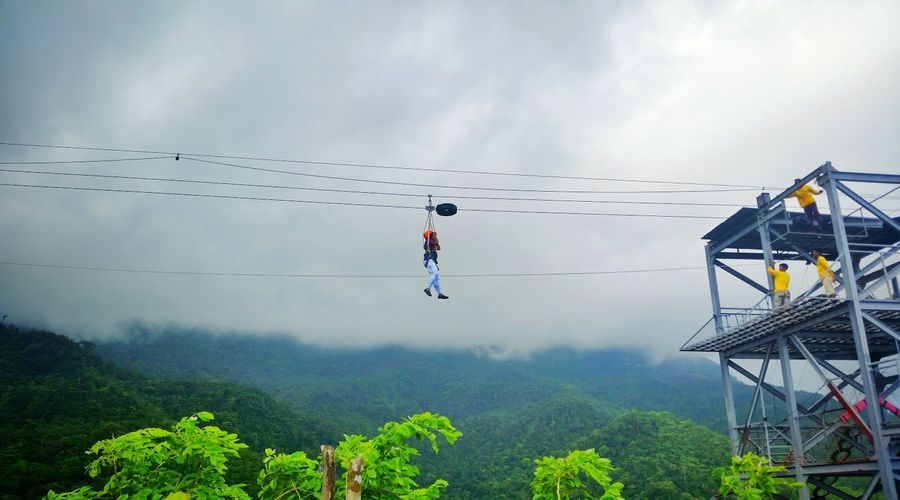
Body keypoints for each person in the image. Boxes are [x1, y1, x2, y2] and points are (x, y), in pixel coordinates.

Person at [423, 230, 449, 299]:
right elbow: (432, 244)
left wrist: (436, 264)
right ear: (430, 236)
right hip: (429, 260)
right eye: (433, 234)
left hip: (431, 261)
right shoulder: (429, 242)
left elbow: (439, 247)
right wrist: (432, 236)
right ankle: (427, 288)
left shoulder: (432, 242)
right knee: (435, 273)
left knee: (436, 278)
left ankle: (439, 293)